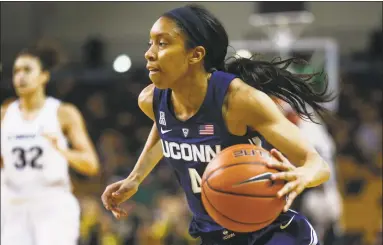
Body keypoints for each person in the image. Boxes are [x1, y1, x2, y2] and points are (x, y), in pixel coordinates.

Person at [102, 5, 333, 245]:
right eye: (150, 43)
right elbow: (164, 129)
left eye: (162, 43)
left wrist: (303, 175)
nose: (149, 53)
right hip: (214, 236)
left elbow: (318, 164)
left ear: (196, 54)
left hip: (270, 233)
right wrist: (135, 178)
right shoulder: (151, 101)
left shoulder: (238, 100)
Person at [1, 45, 100, 245]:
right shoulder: (5, 114)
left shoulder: (62, 113)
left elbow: (91, 164)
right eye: (16, 71)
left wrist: (62, 150)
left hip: (52, 204)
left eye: (27, 70)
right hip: (13, 205)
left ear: (44, 76)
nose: (20, 76)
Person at [275, 99, 344, 245]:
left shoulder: (307, 132)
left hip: (319, 196)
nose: (286, 119)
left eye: (288, 115)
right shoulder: (312, 126)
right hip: (326, 194)